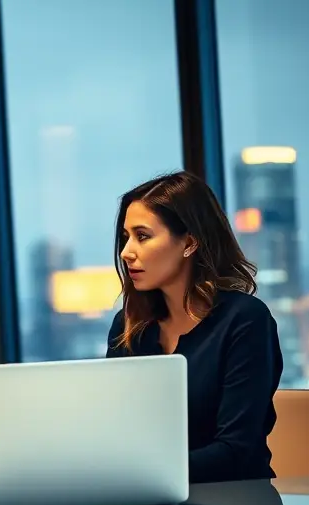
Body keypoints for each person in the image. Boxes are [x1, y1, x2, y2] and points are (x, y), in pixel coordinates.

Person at [106, 171, 283, 484]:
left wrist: (140, 475)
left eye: (142, 236)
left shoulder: (245, 320)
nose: (126, 252)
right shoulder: (130, 326)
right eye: (125, 238)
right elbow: (117, 433)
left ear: (189, 242)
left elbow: (235, 452)